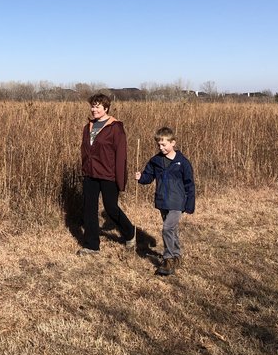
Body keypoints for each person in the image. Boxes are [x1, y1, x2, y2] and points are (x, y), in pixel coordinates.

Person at [78, 93, 136, 255]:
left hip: (108, 174)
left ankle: (130, 232)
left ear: (106, 108)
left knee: (111, 208)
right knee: (89, 209)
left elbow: (121, 155)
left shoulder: (115, 128)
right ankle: (91, 245)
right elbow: (85, 150)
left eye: (97, 106)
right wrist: (85, 168)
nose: (94, 109)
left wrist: (120, 179)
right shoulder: (88, 127)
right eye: (92, 106)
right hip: (90, 174)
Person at [135, 127, 195, 275]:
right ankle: (177, 255)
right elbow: (148, 177)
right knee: (172, 230)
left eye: (164, 144)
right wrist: (141, 178)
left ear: (173, 142)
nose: (161, 148)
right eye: (159, 145)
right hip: (162, 200)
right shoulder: (155, 161)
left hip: (177, 202)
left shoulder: (182, 162)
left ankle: (168, 259)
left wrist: (189, 204)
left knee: (167, 228)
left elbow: (189, 184)